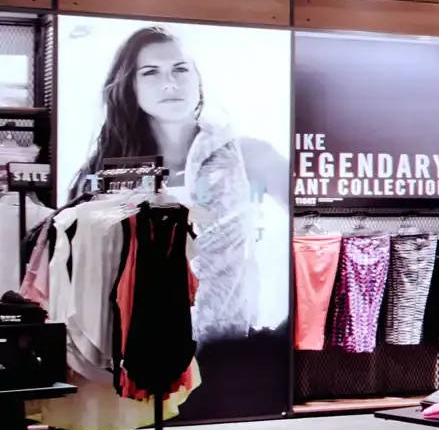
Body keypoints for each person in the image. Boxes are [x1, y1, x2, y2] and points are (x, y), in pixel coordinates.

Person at [70, 26, 282, 348]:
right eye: (150, 72)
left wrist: (284, 332)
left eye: (180, 69)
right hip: (138, 348)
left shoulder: (248, 156)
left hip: (231, 346)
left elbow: (308, 227)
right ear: (130, 86)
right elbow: (83, 264)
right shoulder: (106, 171)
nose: (169, 83)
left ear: (197, 77)